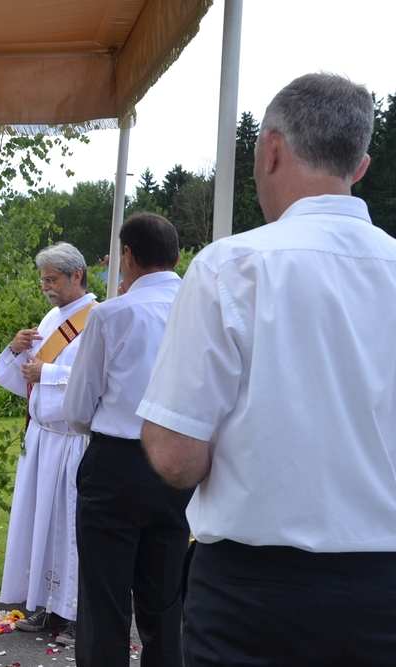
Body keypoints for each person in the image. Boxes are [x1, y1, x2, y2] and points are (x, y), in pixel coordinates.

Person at [138, 72, 396, 666]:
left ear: (270, 151)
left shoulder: (231, 267)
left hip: (254, 596)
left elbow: (175, 455)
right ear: (359, 167)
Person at [61, 213, 189, 667]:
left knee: (105, 603)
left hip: (116, 463)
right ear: (177, 256)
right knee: (165, 602)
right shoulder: (202, 309)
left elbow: (78, 407)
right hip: (180, 463)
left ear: (128, 255)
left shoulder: (111, 314)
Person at [0, 242, 97, 644]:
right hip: (42, 438)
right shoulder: (52, 317)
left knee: (70, 527)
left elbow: (95, 379)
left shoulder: (97, 318)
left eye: (52, 279)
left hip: (72, 441)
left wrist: (46, 373)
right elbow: (27, 377)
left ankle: (74, 615)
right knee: (43, 525)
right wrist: (16, 350)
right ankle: (48, 606)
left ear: (76, 275)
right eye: (43, 280)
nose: (46, 287)